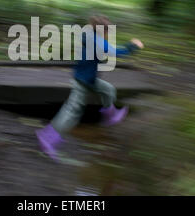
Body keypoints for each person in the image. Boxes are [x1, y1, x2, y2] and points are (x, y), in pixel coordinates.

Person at [35, 15, 145, 161]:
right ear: (103, 31)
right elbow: (116, 52)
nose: (109, 35)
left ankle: (110, 115)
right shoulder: (98, 42)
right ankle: (47, 138)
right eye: (108, 32)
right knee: (72, 113)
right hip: (83, 82)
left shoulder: (90, 36)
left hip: (88, 79)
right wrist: (133, 46)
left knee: (108, 90)